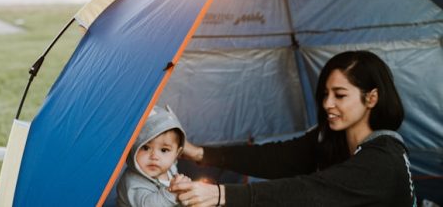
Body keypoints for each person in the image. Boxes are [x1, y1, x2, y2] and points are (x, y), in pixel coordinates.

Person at [171, 50, 416, 206]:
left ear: (371, 98)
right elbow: (273, 158)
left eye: (340, 95)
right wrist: (199, 153)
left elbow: (311, 192)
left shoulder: (384, 160)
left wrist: (221, 195)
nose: (327, 104)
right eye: (324, 94)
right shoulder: (329, 139)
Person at [117, 105, 191, 207]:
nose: (154, 157)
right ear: (133, 148)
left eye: (164, 150)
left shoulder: (170, 169)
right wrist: (173, 192)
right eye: (145, 148)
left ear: (177, 154)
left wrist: (183, 189)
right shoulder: (132, 182)